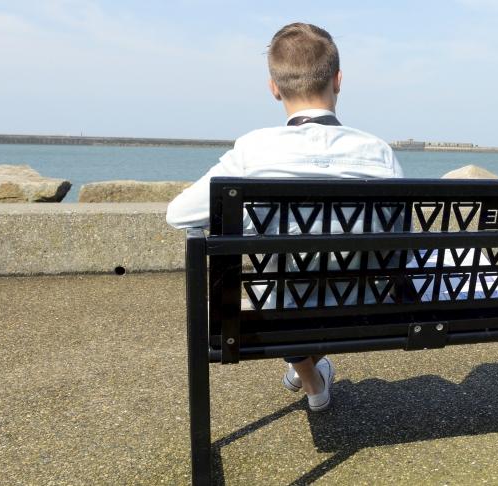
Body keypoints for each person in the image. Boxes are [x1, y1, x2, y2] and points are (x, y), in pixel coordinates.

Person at [166, 22, 403, 412]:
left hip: (285, 307)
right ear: (339, 80)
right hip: (364, 303)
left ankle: (310, 376)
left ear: (274, 87)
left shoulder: (254, 150)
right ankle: (310, 377)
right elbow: (397, 238)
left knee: (273, 285)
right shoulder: (378, 152)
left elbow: (179, 214)